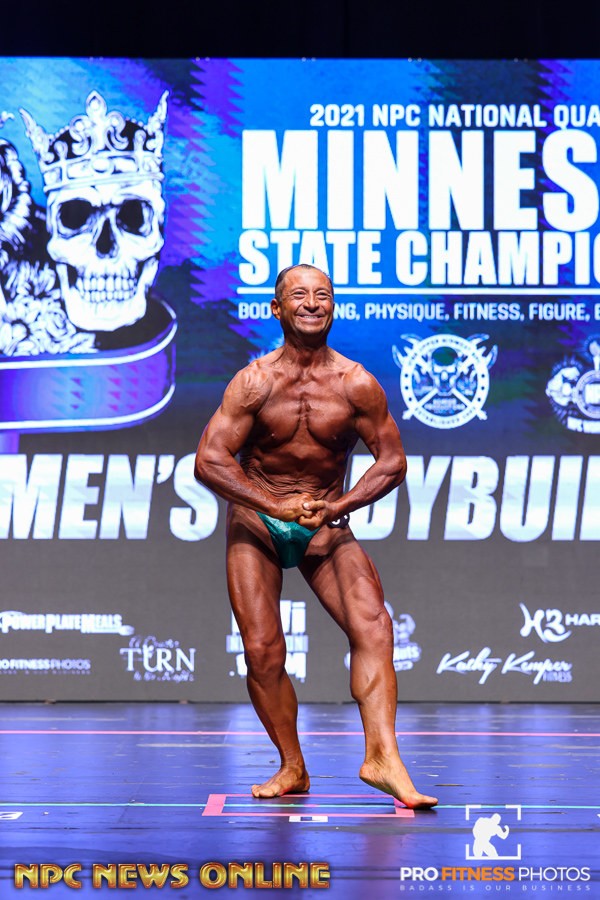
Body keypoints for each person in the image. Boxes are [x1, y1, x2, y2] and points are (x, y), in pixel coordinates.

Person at [194, 263, 437, 809]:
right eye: (299, 295)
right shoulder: (255, 382)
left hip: (325, 521)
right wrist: (273, 504)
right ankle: (292, 766)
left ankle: (383, 758)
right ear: (277, 309)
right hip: (257, 519)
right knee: (263, 651)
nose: (312, 303)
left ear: (334, 307)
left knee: (374, 626)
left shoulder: (356, 384)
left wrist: (340, 506)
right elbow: (209, 461)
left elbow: (392, 462)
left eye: (322, 295)